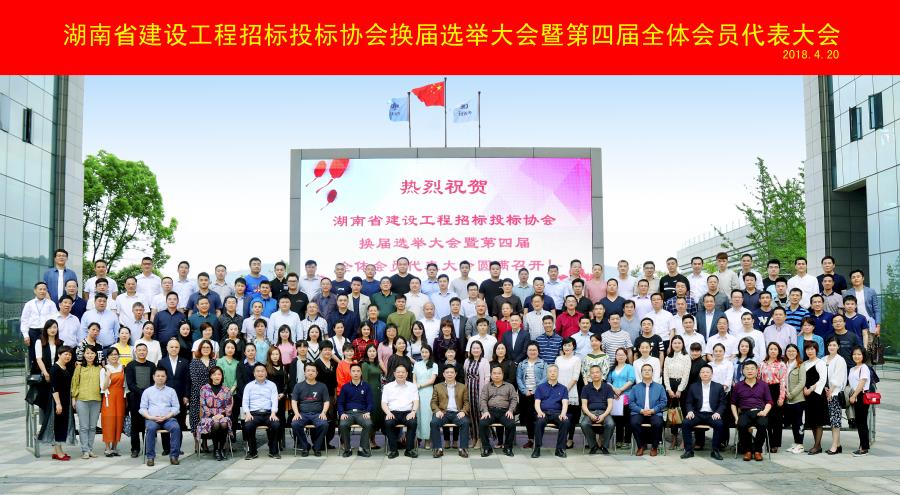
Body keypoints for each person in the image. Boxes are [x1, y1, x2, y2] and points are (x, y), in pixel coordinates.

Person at [680, 364, 726, 460]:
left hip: (712, 414)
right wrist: (690, 411)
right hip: (697, 413)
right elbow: (689, 402)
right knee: (685, 423)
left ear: (711, 374)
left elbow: (723, 403)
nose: (705, 374)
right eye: (703, 372)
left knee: (719, 424)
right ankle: (688, 451)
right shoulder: (693, 386)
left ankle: (715, 451)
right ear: (700, 374)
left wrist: (718, 412)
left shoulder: (718, 387)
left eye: (707, 372)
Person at [140, 368, 183, 466]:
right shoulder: (147, 391)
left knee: (176, 428)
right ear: (153, 377)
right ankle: (150, 457)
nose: (160, 378)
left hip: (168, 419)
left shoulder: (171, 391)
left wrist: (167, 416)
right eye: (158, 376)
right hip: (152, 419)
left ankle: (174, 456)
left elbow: (176, 407)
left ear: (166, 377)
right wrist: (151, 417)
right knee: (150, 429)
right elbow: (142, 408)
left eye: (163, 376)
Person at [731, 361, 772, 461]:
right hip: (745, 412)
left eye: (752, 369)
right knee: (741, 425)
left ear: (757, 370)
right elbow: (733, 404)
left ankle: (757, 450)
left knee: (763, 425)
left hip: (759, 411)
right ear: (743, 371)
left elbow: (769, 401)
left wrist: (765, 412)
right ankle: (748, 450)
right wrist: (736, 418)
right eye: (747, 369)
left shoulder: (763, 385)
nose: (750, 371)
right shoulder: (738, 386)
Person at [430, 365, 472, 458]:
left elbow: (466, 402)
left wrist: (463, 411)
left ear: (455, 374)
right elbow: (433, 402)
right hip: (443, 413)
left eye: (452, 372)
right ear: (443, 374)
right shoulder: (437, 386)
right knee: (434, 423)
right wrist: (437, 411)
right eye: (447, 372)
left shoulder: (463, 387)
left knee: (465, 422)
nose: (449, 374)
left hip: (457, 413)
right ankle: (438, 449)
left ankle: (463, 448)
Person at [157, 338, 189, 455]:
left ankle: (177, 448)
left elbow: (187, 380)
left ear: (179, 349)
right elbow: (159, 379)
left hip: (180, 396)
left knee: (179, 422)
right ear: (167, 348)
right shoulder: (162, 362)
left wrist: (186, 395)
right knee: (165, 420)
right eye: (171, 347)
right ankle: (166, 448)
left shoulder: (184, 362)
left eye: (176, 347)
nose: (174, 349)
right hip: (165, 396)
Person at [242, 363, 281, 459]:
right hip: (254, 414)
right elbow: (245, 402)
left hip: (268, 413)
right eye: (258, 371)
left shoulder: (272, 385)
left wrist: (273, 413)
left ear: (266, 373)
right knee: (248, 426)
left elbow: (274, 400)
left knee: (276, 424)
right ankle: (252, 452)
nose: (260, 373)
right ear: (254, 373)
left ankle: (273, 451)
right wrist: (247, 413)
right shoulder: (249, 386)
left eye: (262, 371)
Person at [476, 365, 518, 457]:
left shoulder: (509, 386)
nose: (496, 375)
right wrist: (485, 411)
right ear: (491, 375)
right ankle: (487, 448)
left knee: (511, 424)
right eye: (494, 373)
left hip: (505, 411)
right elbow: (483, 400)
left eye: (499, 373)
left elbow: (514, 399)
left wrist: (510, 410)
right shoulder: (487, 386)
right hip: (490, 411)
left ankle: (508, 447)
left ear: (503, 375)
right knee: (482, 423)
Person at [290, 362, 330, 456]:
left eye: (313, 371)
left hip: (317, 414)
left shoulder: (322, 386)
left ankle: (317, 447)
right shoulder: (298, 386)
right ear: (304, 372)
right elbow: (294, 401)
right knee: (295, 424)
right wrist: (296, 413)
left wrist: (323, 413)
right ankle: (305, 446)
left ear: (316, 373)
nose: (310, 372)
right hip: (303, 414)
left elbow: (326, 401)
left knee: (324, 424)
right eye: (308, 370)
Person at [627, 363, 666, 456]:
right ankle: (640, 446)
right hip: (639, 412)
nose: (647, 372)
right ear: (641, 373)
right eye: (644, 370)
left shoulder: (660, 387)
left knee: (658, 423)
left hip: (655, 412)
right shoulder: (635, 387)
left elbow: (663, 402)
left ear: (652, 373)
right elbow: (631, 403)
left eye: (649, 370)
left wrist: (653, 410)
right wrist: (641, 410)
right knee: (634, 422)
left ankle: (654, 447)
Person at [532, 364, 570, 458]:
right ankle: (537, 448)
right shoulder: (540, 387)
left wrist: (563, 414)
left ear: (558, 373)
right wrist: (539, 412)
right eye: (550, 371)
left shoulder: (563, 388)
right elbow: (537, 402)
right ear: (547, 373)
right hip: (543, 412)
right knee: (539, 422)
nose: (552, 373)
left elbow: (565, 403)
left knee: (565, 421)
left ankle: (560, 449)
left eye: (555, 371)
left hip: (557, 413)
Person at [382, 364, 419, 458]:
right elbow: (383, 403)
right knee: (388, 423)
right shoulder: (388, 386)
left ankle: (409, 450)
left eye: (403, 372)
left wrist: (413, 412)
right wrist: (388, 413)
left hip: (408, 412)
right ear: (394, 374)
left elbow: (416, 401)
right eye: (398, 372)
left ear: (406, 374)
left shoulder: (412, 386)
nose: (400, 374)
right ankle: (393, 450)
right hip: (392, 412)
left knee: (413, 422)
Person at [125, 343, 156, 457]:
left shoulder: (152, 365)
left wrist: (147, 393)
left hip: (149, 400)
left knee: (147, 423)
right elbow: (130, 383)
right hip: (135, 398)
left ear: (147, 352)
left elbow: (154, 382)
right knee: (135, 425)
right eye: (139, 350)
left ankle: (148, 447)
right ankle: (135, 449)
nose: (142, 352)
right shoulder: (130, 365)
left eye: (144, 350)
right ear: (135, 352)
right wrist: (142, 392)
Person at [337, 362, 374, 457]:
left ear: (361, 372)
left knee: (368, 424)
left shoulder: (366, 386)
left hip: (362, 413)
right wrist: (341, 413)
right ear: (350, 373)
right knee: (343, 424)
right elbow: (340, 403)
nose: (356, 373)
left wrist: (368, 412)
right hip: (348, 413)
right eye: (353, 371)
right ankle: (347, 449)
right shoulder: (345, 387)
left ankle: (362, 449)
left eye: (358, 371)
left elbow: (370, 402)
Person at [71, 346, 102, 459]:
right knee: (84, 427)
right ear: (84, 355)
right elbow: (74, 383)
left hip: (96, 400)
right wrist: (73, 398)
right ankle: (85, 450)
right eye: (87, 353)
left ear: (95, 355)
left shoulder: (100, 367)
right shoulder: (79, 367)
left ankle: (90, 449)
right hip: (82, 400)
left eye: (92, 353)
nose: (90, 355)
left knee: (92, 427)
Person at [198, 366, 233, 461]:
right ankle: (216, 449)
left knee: (224, 423)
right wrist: (212, 415)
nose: (217, 376)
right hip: (208, 416)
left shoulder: (226, 390)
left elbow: (229, 405)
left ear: (222, 376)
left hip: (223, 415)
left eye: (219, 374)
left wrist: (222, 415)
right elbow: (203, 404)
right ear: (211, 376)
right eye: (214, 374)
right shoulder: (204, 389)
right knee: (216, 423)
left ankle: (221, 449)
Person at [516, 342, 547, 449]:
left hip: (538, 394)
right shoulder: (522, 364)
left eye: (534, 350)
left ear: (538, 351)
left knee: (538, 417)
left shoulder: (543, 364)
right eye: (530, 350)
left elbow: (545, 378)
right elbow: (518, 378)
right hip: (525, 394)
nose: (532, 352)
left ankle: (538, 440)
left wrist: (534, 390)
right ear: (527, 351)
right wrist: (525, 390)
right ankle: (530, 439)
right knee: (528, 418)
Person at [580, 364, 615, 455]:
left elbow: (610, 405)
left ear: (601, 374)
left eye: (597, 372)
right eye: (592, 373)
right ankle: (593, 445)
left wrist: (603, 415)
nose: (595, 374)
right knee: (584, 424)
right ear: (590, 375)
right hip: (590, 412)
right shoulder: (586, 388)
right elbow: (584, 405)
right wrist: (590, 415)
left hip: (604, 412)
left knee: (610, 424)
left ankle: (604, 446)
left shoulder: (608, 387)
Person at [759, 342, 787, 452]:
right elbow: (759, 379)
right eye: (771, 349)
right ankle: (768, 442)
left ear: (779, 351)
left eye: (775, 349)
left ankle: (775, 444)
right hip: (764, 391)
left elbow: (783, 381)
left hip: (776, 390)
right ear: (768, 351)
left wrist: (781, 397)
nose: (773, 351)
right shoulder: (762, 364)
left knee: (777, 419)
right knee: (767, 418)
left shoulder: (781, 364)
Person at [47, 346, 74, 460]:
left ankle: (56, 451)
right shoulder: (55, 369)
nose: (68, 356)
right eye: (65, 354)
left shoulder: (65, 367)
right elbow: (54, 387)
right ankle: (59, 453)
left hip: (65, 400)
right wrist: (58, 403)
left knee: (62, 424)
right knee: (59, 426)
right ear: (59, 355)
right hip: (58, 401)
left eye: (70, 355)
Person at [663, 335, 690, 449]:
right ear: (671, 345)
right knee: (673, 414)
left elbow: (686, 375)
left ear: (682, 344)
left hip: (682, 387)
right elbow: (665, 374)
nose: (677, 345)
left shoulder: (686, 357)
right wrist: (668, 389)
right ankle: (674, 438)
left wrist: (679, 389)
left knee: (683, 413)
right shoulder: (668, 357)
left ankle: (684, 439)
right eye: (674, 343)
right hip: (670, 386)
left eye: (679, 343)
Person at [801, 341, 828, 455]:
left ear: (816, 350)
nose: (810, 351)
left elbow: (822, 379)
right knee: (812, 421)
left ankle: (816, 446)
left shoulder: (820, 363)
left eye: (812, 349)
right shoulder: (804, 363)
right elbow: (802, 379)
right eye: (808, 349)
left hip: (817, 395)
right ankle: (818, 446)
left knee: (818, 421)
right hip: (807, 395)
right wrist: (804, 389)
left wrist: (811, 389)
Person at [554, 337, 582, 448]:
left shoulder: (576, 359)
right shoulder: (558, 359)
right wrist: (559, 390)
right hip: (558, 391)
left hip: (571, 391)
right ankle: (562, 438)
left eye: (569, 345)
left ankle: (570, 439)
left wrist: (565, 390)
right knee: (561, 416)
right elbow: (555, 374)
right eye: (565, 345)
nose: (567, 347)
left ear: (573, 346)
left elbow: (575, 377)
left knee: (571, 417)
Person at [100, 347, 127, 456]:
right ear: (107, 357)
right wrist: (107, 376)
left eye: (116, 354)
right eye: (111, 355)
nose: (114, 356)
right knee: (108, 421)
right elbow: (103, 387)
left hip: (120, 397)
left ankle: (115, 447)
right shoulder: (104, 369)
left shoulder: (122, 368)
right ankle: (107, 448)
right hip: (109, 397)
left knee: (118, 421)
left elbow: (124, 385)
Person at [190, 340, 217, 449]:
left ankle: (205, 443)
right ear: (200, 349)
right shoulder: (194, 362)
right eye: (204, 347)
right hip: (197, 394)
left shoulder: (214, 362)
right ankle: (197, 442)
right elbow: (194, 379)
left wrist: (210, 394)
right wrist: (203, 393)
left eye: (208, 347)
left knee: (207, 417)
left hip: (211, 395)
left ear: (211, 349)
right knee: (196, 418)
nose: (206, 349)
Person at [823, 338, 847, 455]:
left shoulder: (840, 360)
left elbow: (838, 377)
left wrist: (831, 391)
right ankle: (838, 445)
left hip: (835, 394)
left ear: (838, 347)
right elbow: (821, 375)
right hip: (825, 392)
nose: (832, 347)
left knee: (835, 420)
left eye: (834, 345)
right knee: (831, 419)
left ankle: (834, 446)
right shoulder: (823, 359)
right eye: (830, 345)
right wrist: (825, 388)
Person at [608, 347, 636, 448]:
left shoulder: (629, 367)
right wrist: (615, 390)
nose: (620, 356)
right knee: (618, 419)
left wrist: (620, 390)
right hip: (615, 397)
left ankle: (627, 441)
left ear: (626, 356)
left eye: (622, 355)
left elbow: (631, 380)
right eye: (618, 354)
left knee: (627, 420)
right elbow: (608, 382)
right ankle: (618, 440)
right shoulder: (612, 368)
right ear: (615, 356)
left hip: (627, 396)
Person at [847, 346, 872, 456]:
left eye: (859, 354)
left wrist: (854, 396)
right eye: (854, 354)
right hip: (855, 395)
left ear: (863, 356)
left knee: (862, 423)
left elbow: (862, 383)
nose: (856, 356)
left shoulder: (864, 368)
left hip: (862, 396)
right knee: (859, 422)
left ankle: (864, 448)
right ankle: (862, 445)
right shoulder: (852, 369)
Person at [413, 344, 439, 448]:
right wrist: (415, 386)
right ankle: (417, 438)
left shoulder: (434, 365)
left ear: (430, 353)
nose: (424, 354)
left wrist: (420, 385)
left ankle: (428, 440)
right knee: (418, 415)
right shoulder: (417, 364)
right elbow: (414, 378)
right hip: (417, 392)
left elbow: (432, 380)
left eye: (426, 352)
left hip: (428, 392)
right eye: (422, 352)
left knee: (427, 416)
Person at [783, 344, 807, 454]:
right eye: (789, 351)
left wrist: (791, 394)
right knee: (793, 423)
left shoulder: (800, 365)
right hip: (787, 399)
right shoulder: (784, 365)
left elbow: (802, 382)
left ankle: (800, 444)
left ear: (797, 353)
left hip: (797, 398)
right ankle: (796, 443)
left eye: (793, 351)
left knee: (798, 422)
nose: (791, 353)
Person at [360, 344, 384, 450]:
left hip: (378, 393)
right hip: (370, 393)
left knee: (377, 416)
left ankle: (373, 441)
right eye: (370, 351)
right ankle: (368, 441)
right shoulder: (365, 364)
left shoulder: (377, 364)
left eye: (374, 351)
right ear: (366, 353)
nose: (372, 353)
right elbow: (364, 381)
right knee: (371, 416)